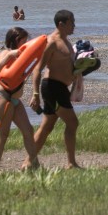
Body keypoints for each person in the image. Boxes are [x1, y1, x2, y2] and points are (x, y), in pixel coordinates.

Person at [29, 10, 82, 169]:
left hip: (61, 88)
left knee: (46, 127)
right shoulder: (52, 42)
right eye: (72, 22)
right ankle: (71, 163)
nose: (74, 25)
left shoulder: (66, 42)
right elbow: (37, 69)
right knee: (72, 122)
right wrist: (35, 94)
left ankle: (28, 162)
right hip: (52, 88)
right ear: (61, 24)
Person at [0, 26, 39, 171]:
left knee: (28, 130)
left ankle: (34, 164)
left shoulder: (23, 57)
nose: (27, 42)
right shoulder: (5, 53)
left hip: (15, 100)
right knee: (3, 133)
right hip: (2, 97)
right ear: (16, 40)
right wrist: (10, 55)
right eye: (24, 40)